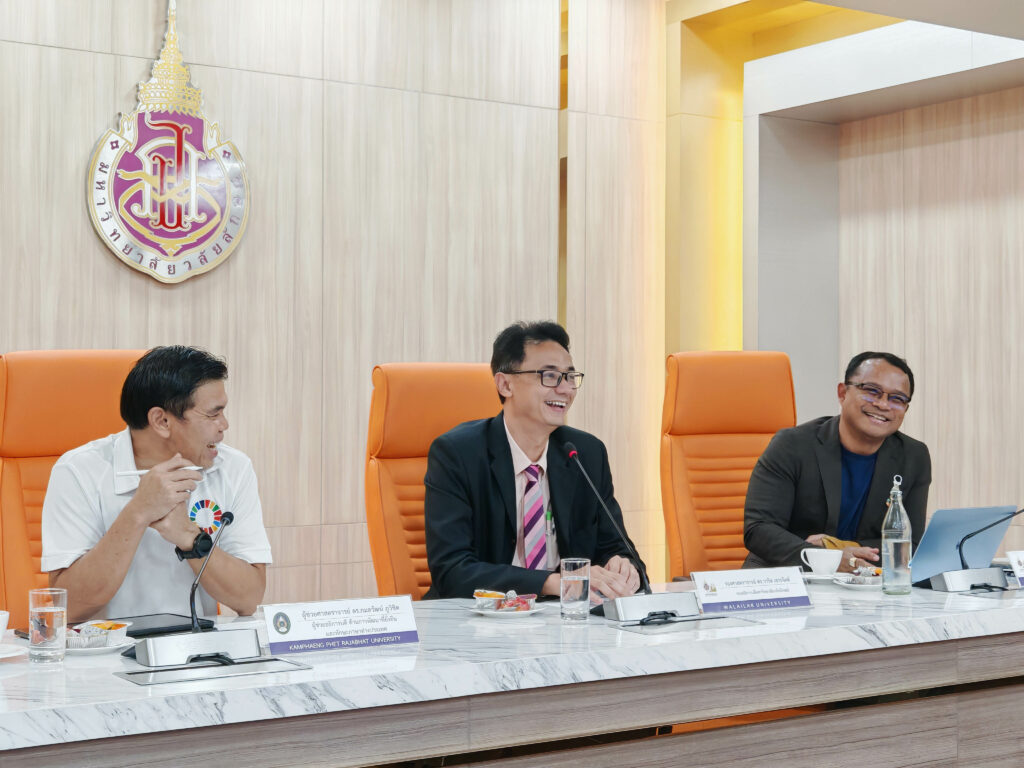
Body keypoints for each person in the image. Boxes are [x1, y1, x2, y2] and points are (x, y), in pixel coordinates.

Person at [41, 346, 272, 622]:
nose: (225, 425)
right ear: (161, 421)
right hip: (108, 648)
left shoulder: (232, 467)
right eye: (213, 414)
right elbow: (69, 608)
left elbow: (249, 598)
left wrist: (189, 536)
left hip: (198, 645)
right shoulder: (78, 471)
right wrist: (138, 512)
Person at [423, 321, 646, 601]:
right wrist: (552, 582)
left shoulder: (585, 454)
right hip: (480, 619)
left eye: (570, 376)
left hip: (565, 618)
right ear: (505, 384)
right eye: (550, 376)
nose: (566, 389)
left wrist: (623, 566)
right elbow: (452, 571)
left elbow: (617, 546)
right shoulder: (457, 454)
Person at [744, 351, 931, 572]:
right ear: (842, 393)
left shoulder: (913, 456)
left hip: (864, 581)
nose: (883, 404)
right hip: (788, 576)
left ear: (905, 409)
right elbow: (759, 530)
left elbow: (910, 546)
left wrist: (832, 548)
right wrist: (826, 560)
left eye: (897, 399)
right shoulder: (792, 445)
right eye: (872, 391)